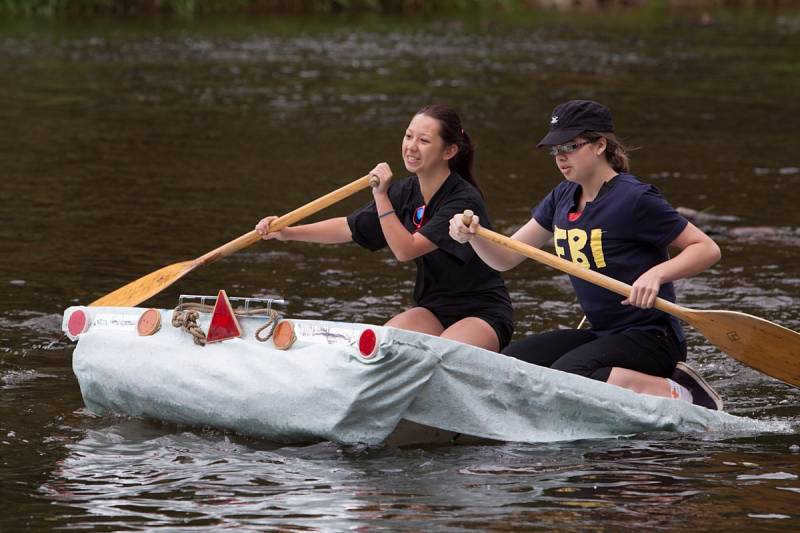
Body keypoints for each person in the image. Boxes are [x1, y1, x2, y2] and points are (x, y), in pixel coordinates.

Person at [449, 99, 723, 409]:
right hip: (603, 334)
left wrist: (656, 274)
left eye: (570, 147)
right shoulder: (562, 196)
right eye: (555, 150)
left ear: (599, 145)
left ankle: (679, 392)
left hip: (653, 337)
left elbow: (706, 248)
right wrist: (473, 236)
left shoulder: (634, 198)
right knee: (510, 365)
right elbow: (505, 258)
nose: (560, 157)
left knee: (568, 376)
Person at [256, 104, 513, 352]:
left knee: (439, 357)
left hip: (482, 312)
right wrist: (288, 232)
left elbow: (405, 250)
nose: (411, 147)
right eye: (408, 136)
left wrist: (381, 196)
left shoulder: (462, 199)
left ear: (449, 152)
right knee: (382, 350)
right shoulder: (405, 191)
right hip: (432, 308)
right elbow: (347, 228)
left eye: (423, 141)